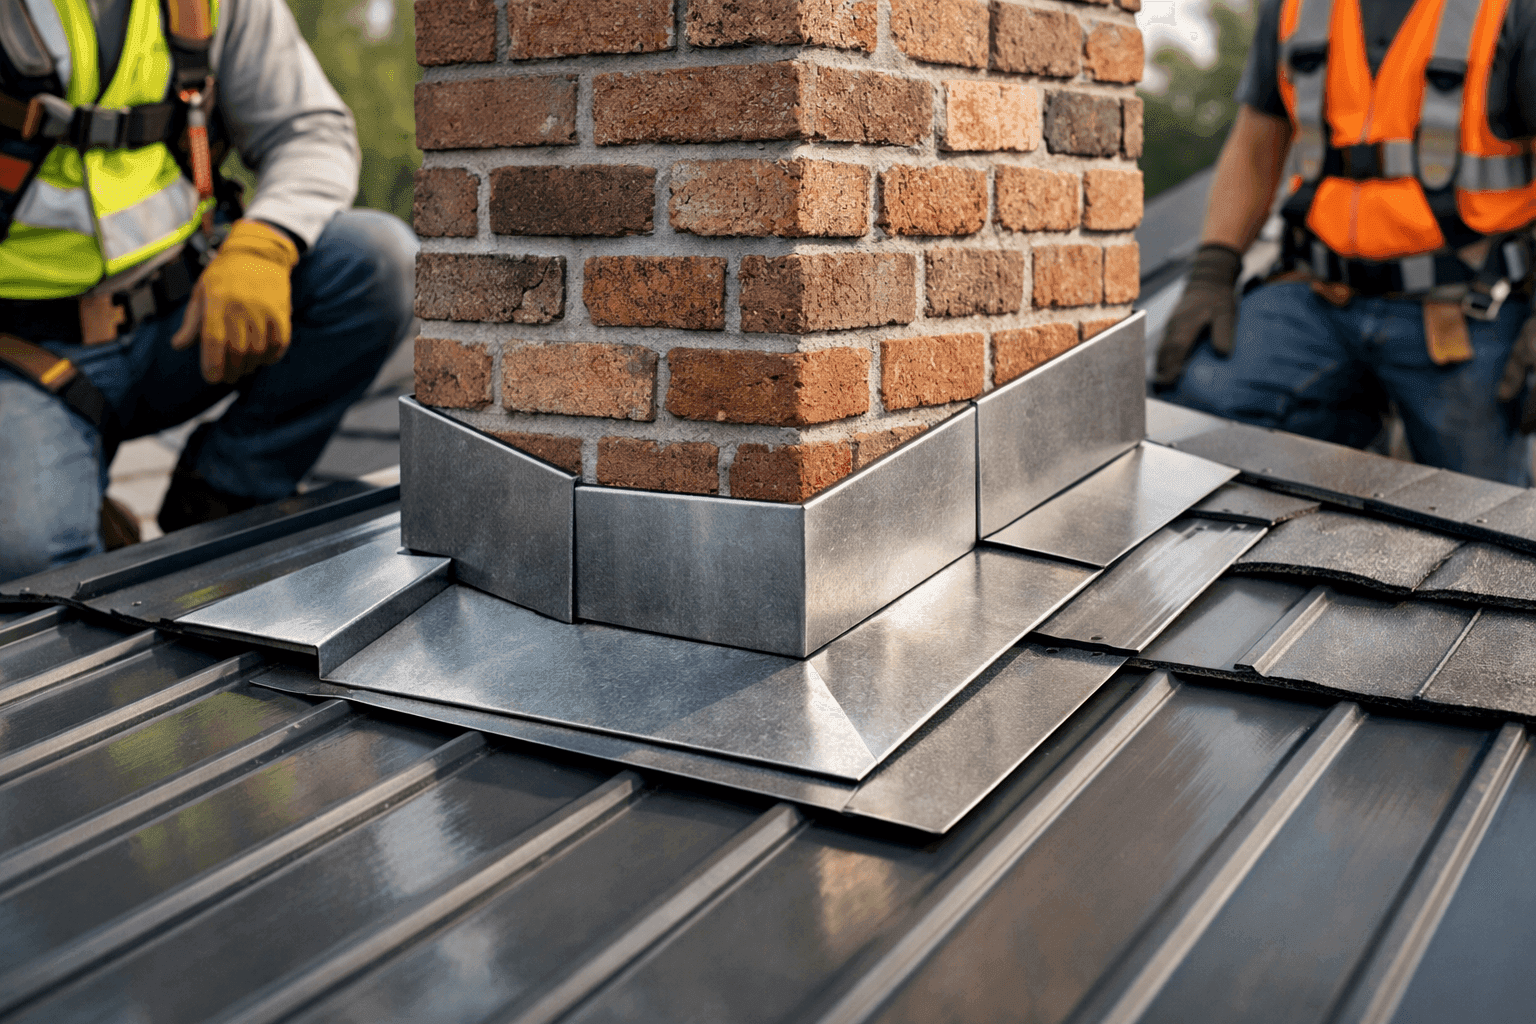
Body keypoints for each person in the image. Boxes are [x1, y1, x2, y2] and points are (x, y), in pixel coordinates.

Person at [0, 0, 416, 582]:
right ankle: (72, 501)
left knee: (375, 260)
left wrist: (264, 245)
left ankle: (224, 493)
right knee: (29, 561)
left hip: (185, 319)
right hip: (24, 357)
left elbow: (310, 131)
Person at [1156, 0, 1536, 485]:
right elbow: (1257, 137)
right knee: (1201, 412)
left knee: (1484, 513)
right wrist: (1212, 270)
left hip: (1467, 310)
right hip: (1317, 296)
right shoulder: (1296, 6)